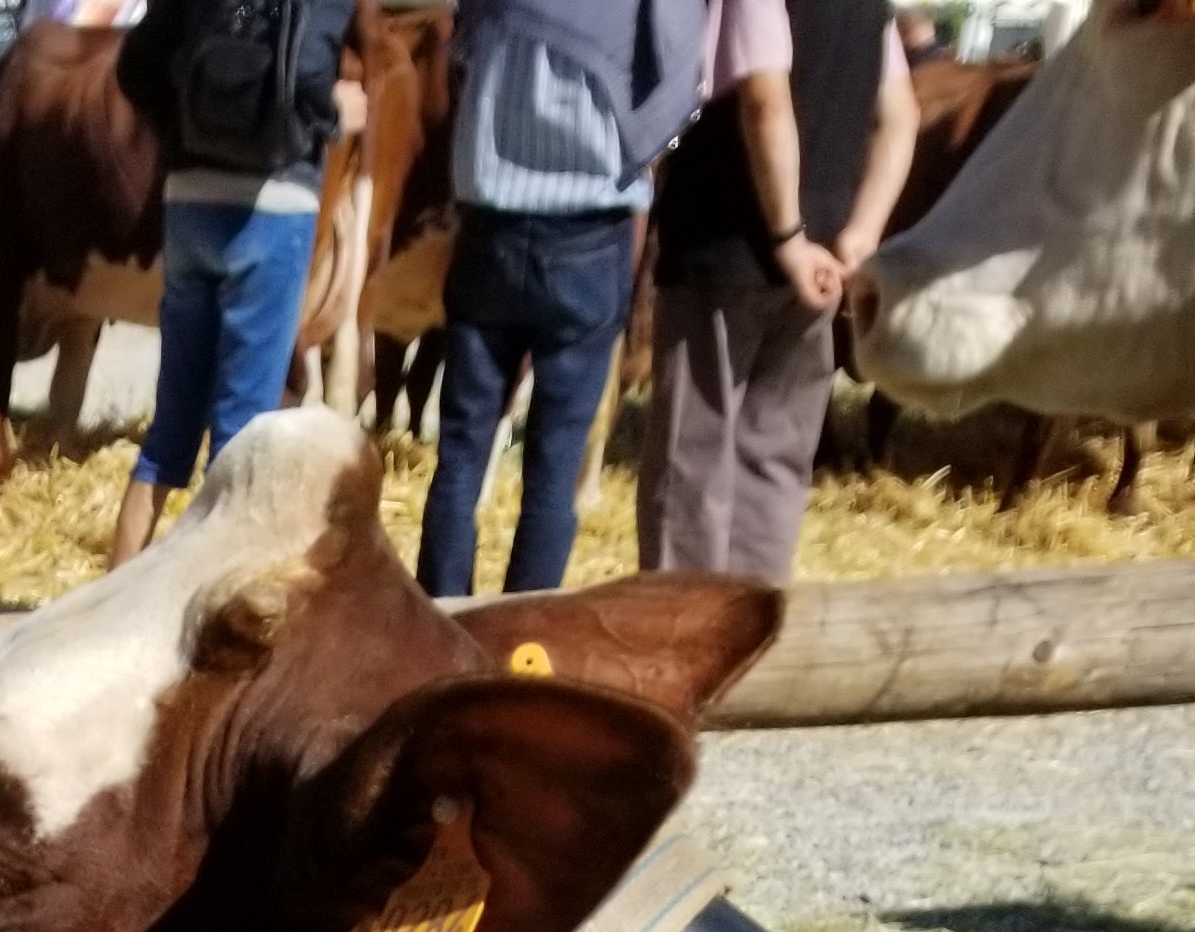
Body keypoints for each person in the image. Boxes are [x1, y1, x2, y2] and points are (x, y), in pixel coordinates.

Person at [414, 0, 703, 601]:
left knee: (461, 452)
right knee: (554, 465)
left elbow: (456, 52)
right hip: (589, 233)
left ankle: (442, 615)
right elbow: (679, 75)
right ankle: (525, 629)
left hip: (490, 225)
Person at [634, 0, 917, 579]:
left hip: (726, 245)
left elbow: (765, 98)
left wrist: (788, 236)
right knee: (776, 456)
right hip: (823, 264)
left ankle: (684, 620)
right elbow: (902, 116)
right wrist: (860, 236)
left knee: (691, 460)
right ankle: (755, 612)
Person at [106, 0, 360, 570]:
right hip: (274, 208)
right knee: (240, 438)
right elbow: (309, 77)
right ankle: (210, 601)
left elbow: (135, 66)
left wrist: (184, 131)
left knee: (167, 433)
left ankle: (109, 596)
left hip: (188, 201)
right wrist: (337, 112)